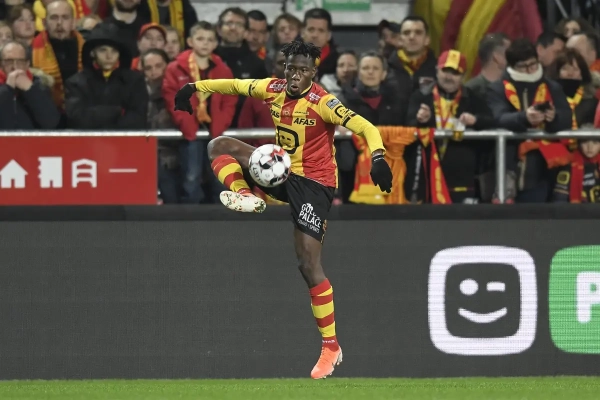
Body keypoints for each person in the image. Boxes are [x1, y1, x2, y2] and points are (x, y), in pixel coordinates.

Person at [172, 39, 392, 379]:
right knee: (218, 145)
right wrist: (193, 87)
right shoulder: (272, 89)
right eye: (291, 69)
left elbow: (365, 127)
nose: (295, 76)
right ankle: (245, 195)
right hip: (281, 171)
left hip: (315, 186)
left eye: (303, 70)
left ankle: (331, 346)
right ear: (284, 69)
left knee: (307, 264)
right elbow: (234, 85)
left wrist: (378, 157)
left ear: (313, 73)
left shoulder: (324, 102)